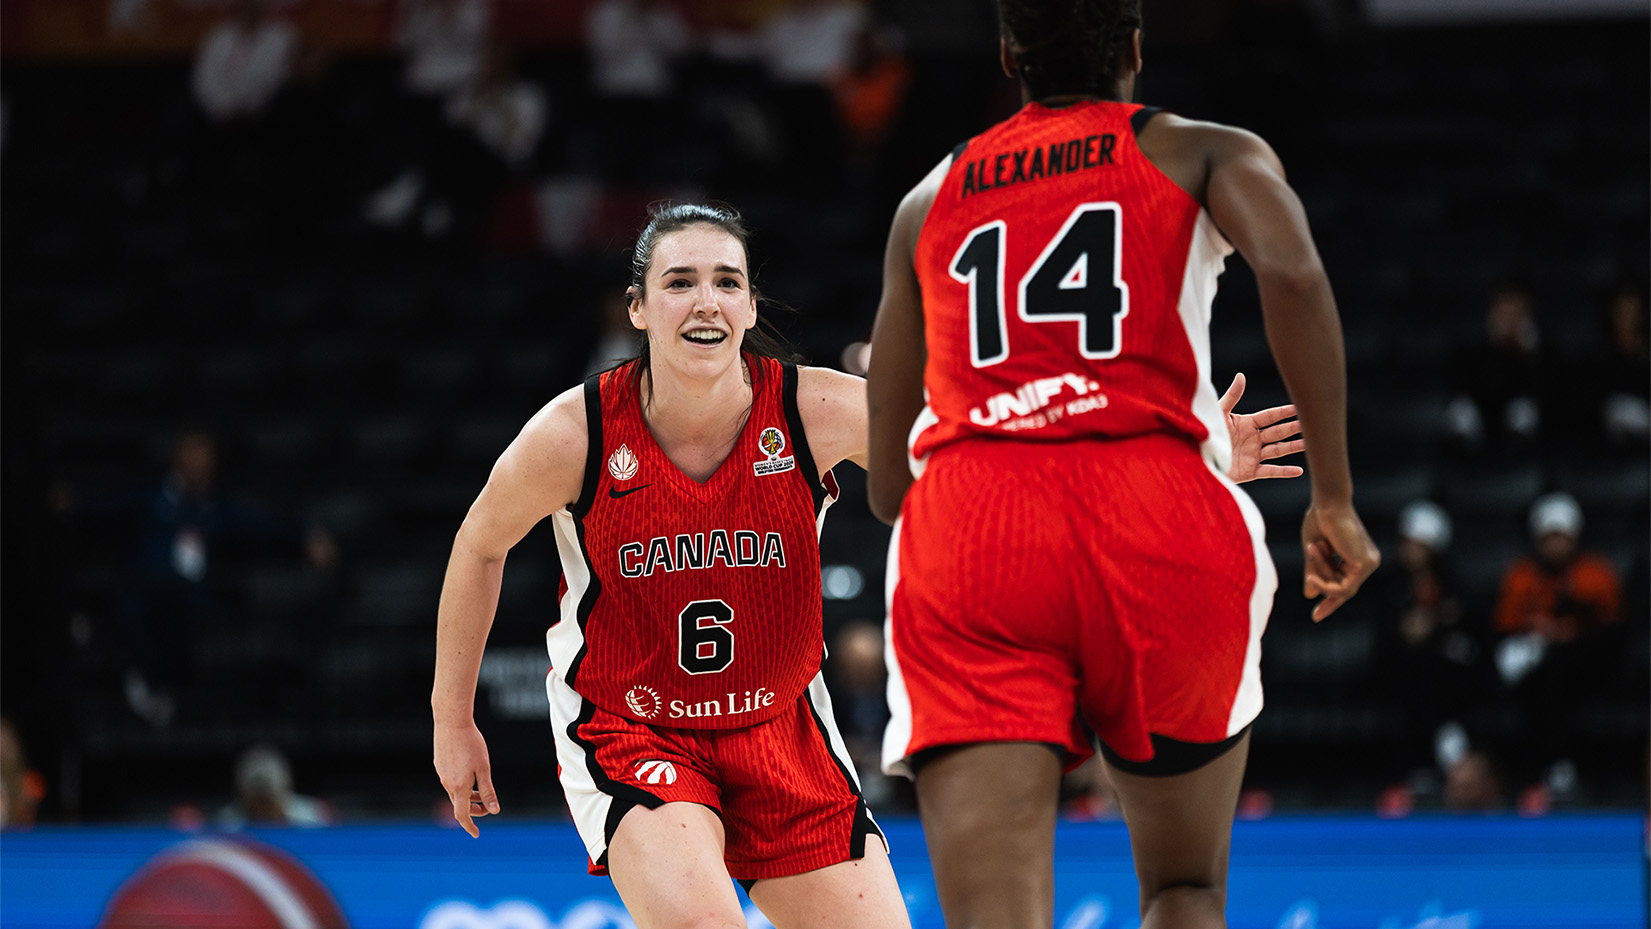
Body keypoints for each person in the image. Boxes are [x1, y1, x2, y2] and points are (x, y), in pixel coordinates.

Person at [863, 4, 1379, 928]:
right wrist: (1329, 497)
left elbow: (888, 488)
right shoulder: (1203, 150)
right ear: (1136, 49)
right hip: (1159, 512)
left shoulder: (926, 201)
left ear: (1007, 56)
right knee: (1182, 887)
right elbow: (1294, 274)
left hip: (973, 530)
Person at [431, 203, 911, 928]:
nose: (705, 300)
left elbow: (962, 469)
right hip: (633, 723)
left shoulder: (815, 408)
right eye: (679, 281)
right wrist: (451, 718)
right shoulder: (575, 431)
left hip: (781, 722)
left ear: (750, 307)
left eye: (725, 281)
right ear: (638, 307)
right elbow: (479, 544)